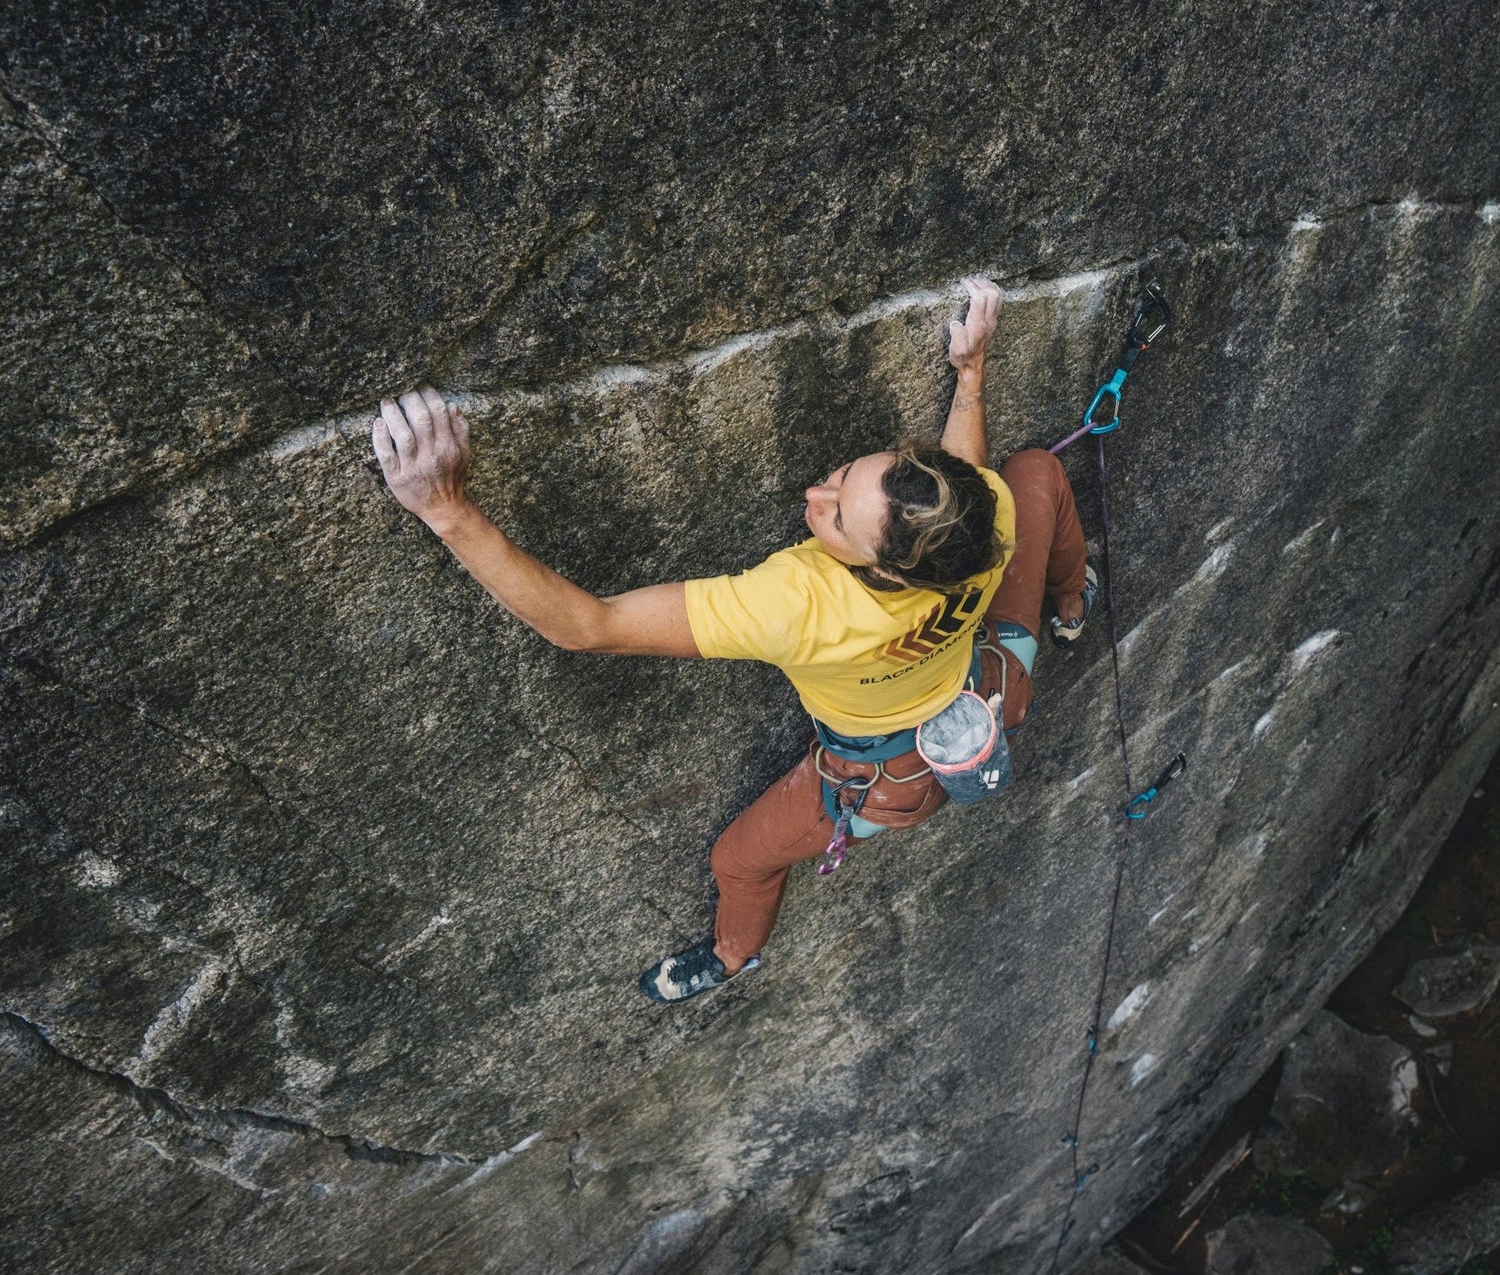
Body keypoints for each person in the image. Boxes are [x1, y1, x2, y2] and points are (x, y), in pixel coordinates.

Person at [372, 278, 1096, 1004]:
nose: (814, 497)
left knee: (739, 862)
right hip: (994, 684)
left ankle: (731, 952)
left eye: (837, 518)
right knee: (1035, 473)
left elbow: (586, 627)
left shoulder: (798, 608)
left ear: (885, 570)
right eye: (845, 476)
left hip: (884, 779)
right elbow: (963, 470)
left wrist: (447, 510)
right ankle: (1072, 600)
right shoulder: (984, 523)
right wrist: (971, 373)